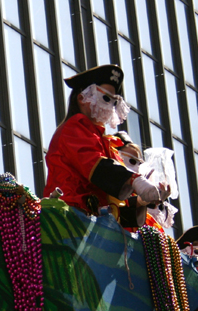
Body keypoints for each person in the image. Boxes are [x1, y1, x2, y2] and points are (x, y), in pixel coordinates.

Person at [43, 65, 169, 221]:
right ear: (83, 97)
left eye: (114, 102)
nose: (110, 106)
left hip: (92, 216)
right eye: (106, 98)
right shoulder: (74, 127)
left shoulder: (101, 140)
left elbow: (111, 199)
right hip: (68, 211)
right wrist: (134, 180)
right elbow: (93, 162)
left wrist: (141, 201)